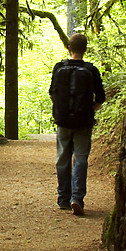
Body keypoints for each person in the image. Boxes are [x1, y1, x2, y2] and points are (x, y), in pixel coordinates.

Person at [48, 32, 105, 216]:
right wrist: (89, 109)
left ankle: (63, 199)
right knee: (80, 158)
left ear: (69, 48)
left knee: (62, 159)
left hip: (63, 122)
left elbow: (52, 94)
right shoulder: (91, 70)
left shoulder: (59, 67)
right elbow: (101, 98)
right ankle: (77, 198)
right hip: (83, 123)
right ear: (85, 49)